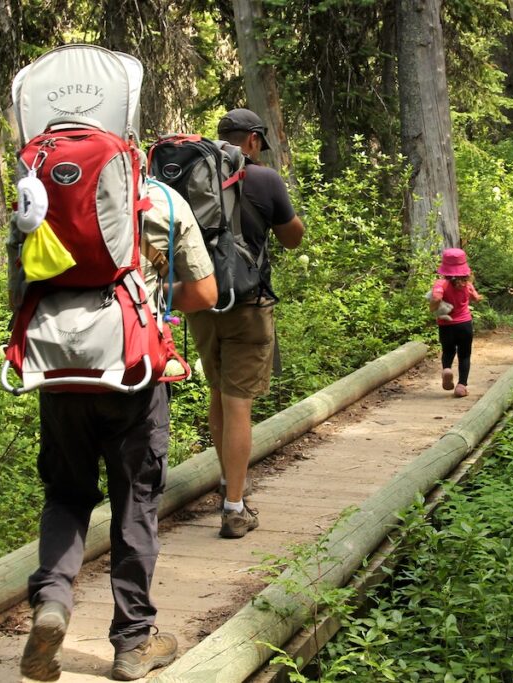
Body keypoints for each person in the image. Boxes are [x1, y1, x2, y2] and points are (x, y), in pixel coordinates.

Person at [15, 183, 217, 681]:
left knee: (66, 495)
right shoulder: (161, 201)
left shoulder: (36, 197)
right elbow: (205, 293)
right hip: (133, 376)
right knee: (135, 505)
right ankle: (132, 644)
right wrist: (148, 294)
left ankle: (54, 602)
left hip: (60, 375)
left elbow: (19, 289)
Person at [186, 107, 305, 539]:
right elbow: (292, 238)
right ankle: (234, 508)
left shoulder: (192, 177)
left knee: (218, 394)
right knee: (238, 403)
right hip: (249, 303)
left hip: (202, 303)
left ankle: (227, 480)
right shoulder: (264, 179)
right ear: (253, 140)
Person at [429, 247, 482, 399]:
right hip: (464, 324)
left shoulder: (441, 284)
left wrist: (432, 308)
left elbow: (437, 298)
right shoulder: (467, 285)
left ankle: (446, 369)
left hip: (446, 325)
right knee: (464, 355)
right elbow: (476, 298)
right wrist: (475, 298)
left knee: (448, 351)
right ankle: (461, 386)